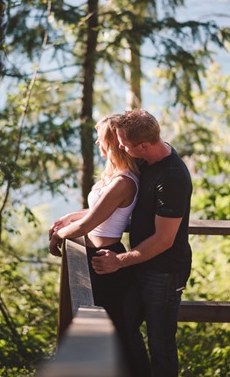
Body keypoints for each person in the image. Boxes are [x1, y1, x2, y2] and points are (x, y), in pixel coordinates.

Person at [91, 109, 193, 377]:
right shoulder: (146, 160)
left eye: (123, 144)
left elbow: (163, 240)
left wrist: (118, 261)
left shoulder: (172, 178)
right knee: (125, 324)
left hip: (164, 271)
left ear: (144, 145)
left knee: (160, 343)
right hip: (141, 263)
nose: (120, 147)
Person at [48, 114, 139, 356]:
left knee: (111, 330)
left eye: (100, 138)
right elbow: (100, 212)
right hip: (91, 255)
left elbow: (86, 226)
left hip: (106, 259)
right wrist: (70, 217)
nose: (97, 143)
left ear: (110, 141)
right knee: (93, 328)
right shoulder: (113, 175)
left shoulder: (124, 182)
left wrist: (59, 235)